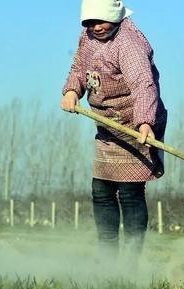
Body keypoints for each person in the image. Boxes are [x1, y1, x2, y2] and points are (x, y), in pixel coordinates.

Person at [60, 0, 168, 266]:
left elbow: (144, 85)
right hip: (108, 124)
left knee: (129, 192)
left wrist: (145, 122)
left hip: (136, 125)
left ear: (114, 17)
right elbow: (79, 68)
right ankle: (107, 257)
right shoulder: (88, 36)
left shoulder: (129, 44)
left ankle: (130, 262)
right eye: (89, 22)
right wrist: (73, 91)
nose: (95, 28)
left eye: (100, 21)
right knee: (101, 190)